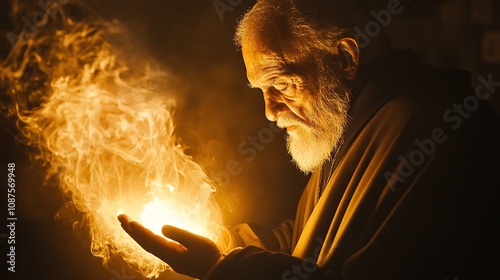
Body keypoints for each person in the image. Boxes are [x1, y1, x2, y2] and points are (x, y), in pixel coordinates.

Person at [118, 0, 500, 279]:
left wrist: (222, 268)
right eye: (260, 90)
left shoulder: (427, 126)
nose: (269, 111)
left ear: (346, 58)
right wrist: (223, 241)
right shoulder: (353, 122)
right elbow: (309, 240)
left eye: (281, 83)